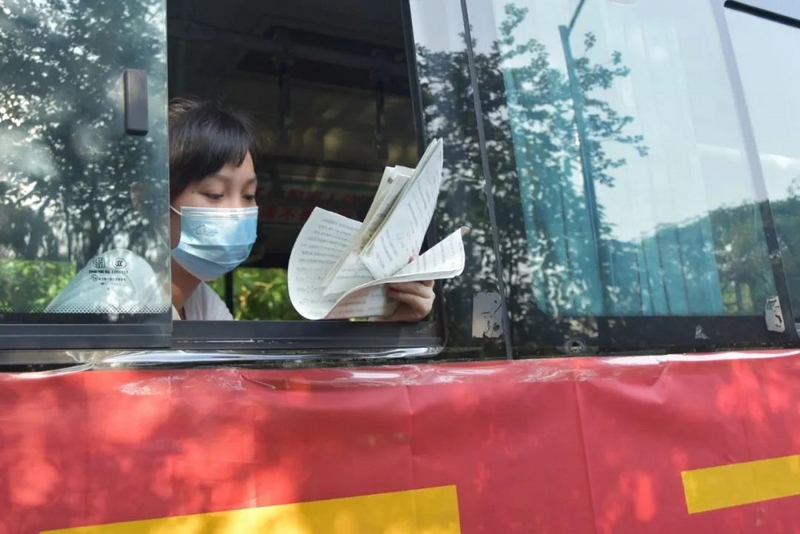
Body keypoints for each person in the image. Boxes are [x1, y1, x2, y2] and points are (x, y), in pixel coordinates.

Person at [48, 98, 435, 322]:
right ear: (147, 200)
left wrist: (385, 323)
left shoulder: (199, 303)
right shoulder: (118, 283)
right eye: (215, 194)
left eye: (249, 195)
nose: (236, 211)